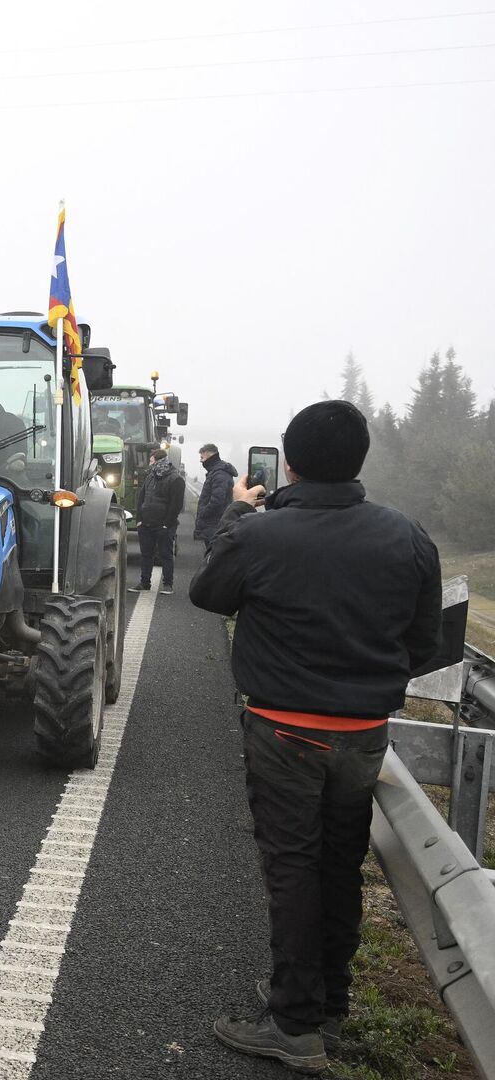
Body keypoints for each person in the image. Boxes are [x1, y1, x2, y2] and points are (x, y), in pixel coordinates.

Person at [191, 400, 442, 1072]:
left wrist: (240, 513)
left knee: (294, 869)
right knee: (339, 864)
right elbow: (423, 642)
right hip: (364, 735)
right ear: (359, 458)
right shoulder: (409, 536)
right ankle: (326, 1001)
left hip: (285, 730)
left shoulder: (262, 533)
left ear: (289, 462)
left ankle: (295, 1023)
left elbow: (208, 593)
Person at [129, 447, 183, 595]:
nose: (149, 463)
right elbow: (141, 498)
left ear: (159, 461)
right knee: (146, 555)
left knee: (166, 555)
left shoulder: (176, 479)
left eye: (151, 460)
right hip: (146, 524)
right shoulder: (150, 477)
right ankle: (144, 583)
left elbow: (177, 504)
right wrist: (139, 520)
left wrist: (167, 523)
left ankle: (167, 585)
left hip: (164, 526)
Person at [193, 442, 239, 542]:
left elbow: (217, 501)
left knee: (212, 553)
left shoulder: (219, 474)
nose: (201, 461)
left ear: (210, 457)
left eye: (202, 457)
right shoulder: (216, 472)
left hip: (214, 525)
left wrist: (203, 513)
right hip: (214, 523)